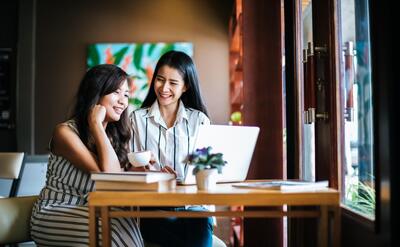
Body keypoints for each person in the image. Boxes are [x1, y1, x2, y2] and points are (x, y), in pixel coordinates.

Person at [30, 64, 144, 246]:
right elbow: (110, 177)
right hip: (55, 213)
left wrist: (139, 170)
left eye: (126, 94)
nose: (123, 101)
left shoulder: (112, 139)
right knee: (114, 229)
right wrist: (96, 124)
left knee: (126, 223)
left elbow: (115, 178)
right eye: (116, 92)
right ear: (96, 93)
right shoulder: (65, 132)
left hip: (92, 211)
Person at [130, 50, 213, 247]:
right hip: (153, 208)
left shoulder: (199, 120)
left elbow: (207, 171)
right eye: (160, 79)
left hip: (194, 209)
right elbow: (127, 166)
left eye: (173, 83)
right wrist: (148, 173)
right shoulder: (136, 119)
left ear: (186, 87)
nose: (164, 87)